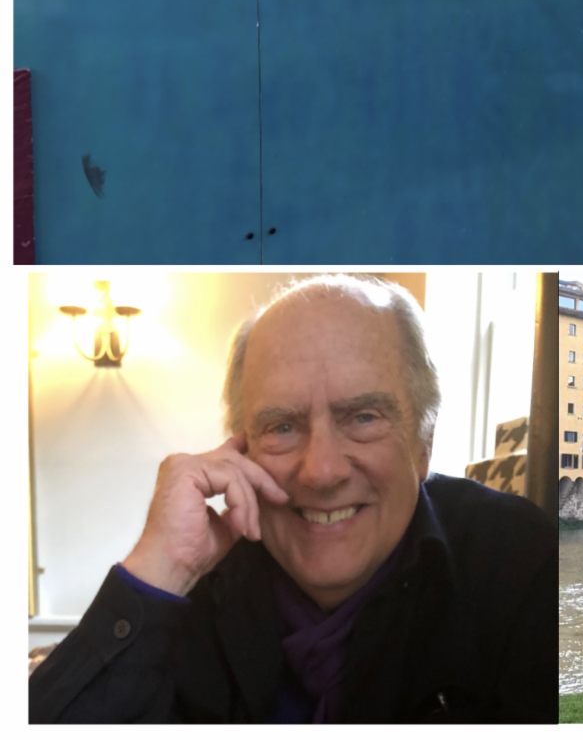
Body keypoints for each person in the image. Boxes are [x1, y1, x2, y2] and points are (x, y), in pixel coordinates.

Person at [29, 275, 556, 724]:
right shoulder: (196, 589)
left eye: (363, 417)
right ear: (241, 446)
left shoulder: (523, 567)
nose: (322, 471)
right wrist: (159, 566)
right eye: (282, 426)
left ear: (423, 444)